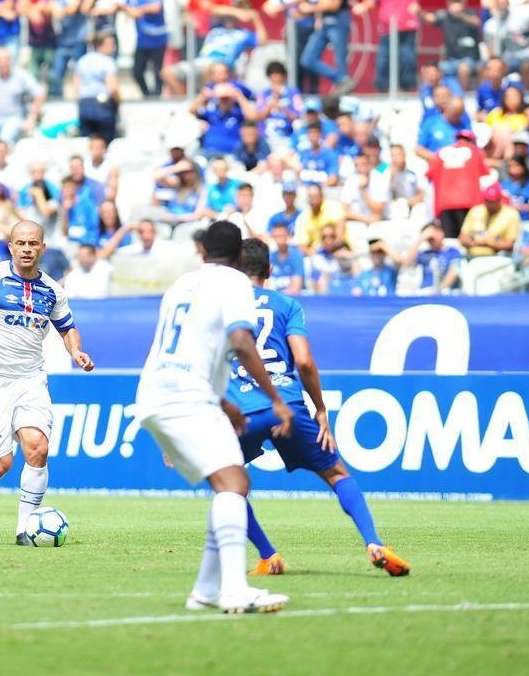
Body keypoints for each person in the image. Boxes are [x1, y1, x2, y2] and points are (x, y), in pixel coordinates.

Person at [134, 222, 292, 614]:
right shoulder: (236, 285)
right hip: (187, 398)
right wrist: (274, 397)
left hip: (158, 393)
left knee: (229, 483)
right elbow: (240, 341)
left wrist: (223, 402)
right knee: (234, 483)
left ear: (202, 250)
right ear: (241, 255)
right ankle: (235, 590)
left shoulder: (181, 286)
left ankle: (205, 591)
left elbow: (189, 348)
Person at [230, 238, 410, 577]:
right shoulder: (287, 305)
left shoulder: (223, 307)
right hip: (287, 404)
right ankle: (374, 543)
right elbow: (304, 360)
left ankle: (268, 556)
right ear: (270, 271)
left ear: (236, 269)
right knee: (337, 473)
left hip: (241, 407)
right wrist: (321, 409)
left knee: (226, 482)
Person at [0, 220, 94, 543]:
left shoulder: (53, 291)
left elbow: (67, 326)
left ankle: (25, 529)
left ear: (42, 248)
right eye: (21, 243)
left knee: (38, 449)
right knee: (1, 464)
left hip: (30, 378)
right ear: (11, 247)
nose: (27, 249)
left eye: (33, 244)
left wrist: (76, 351)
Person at [352, 0, 431, 92]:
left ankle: (406, 89)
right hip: (387, 29)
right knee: (383, 60)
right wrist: (362, 7)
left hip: (408, 28)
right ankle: (382, 90)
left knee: (407, 60)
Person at [299, 0, 353, 96]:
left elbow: (335, 4)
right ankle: (340, 79)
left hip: (339, 22)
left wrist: (310, 8)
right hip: (324, 24)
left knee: (340, 60)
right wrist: (290, 0)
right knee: (307, 59)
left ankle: (343, 91)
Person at [262, 0, 318, 94]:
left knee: (311, 65)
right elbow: (268, 8)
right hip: (294, 36)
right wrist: (293, 4)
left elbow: (318, 6)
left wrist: (304, 9)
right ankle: (297, 95)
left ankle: (313, 96)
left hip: (310, 33)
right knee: (296, 66)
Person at [426, 129, 487, 238]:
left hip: (444, 203)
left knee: (450, 240)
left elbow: (429, 175)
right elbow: (485, 175)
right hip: (469, 202)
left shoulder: (440, 152)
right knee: (468, 239)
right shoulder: (476, 152)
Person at [121, 0, 168, 98]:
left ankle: (157, 96)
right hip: (142, 37)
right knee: (137, 71)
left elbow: (156, 7)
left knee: (157, 70)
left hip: (157, 37)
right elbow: (127, 6)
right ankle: (147, 95)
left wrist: (140, 10)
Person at [0, 46, 44, 145]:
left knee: (5, 139)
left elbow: (39, 93)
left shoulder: (21, 75)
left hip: (15, 118)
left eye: (4, 60)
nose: (1, 63)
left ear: (10, 60)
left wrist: (31, 118)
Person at [422, 0, 481, 92]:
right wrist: (419, 10)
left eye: (458, 1)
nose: (456, 4)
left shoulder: (469, 13)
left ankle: (461, 96)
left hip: (469, 59)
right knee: (431, 70)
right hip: (450, 60)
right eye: (453, 1)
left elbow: (476, 22)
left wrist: (461, 14)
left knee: (463, 68)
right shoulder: (445, 16)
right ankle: (433, 96)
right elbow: (430, 18)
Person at [190, 82, 257, 159]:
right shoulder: (212, 113)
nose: (224, 101)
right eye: (221, 99)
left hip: (230, 155)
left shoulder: (238, 114)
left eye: (227, 98)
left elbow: (253, 117)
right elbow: (191, 111)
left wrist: (239, 96)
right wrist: (202, 97)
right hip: (207, 153)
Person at [50, 0, 87, 98]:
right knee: (57, 73)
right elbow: (53, 10)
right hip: (63, 40)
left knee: (80, 72)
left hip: (78, 38)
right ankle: (58, 97)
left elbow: (72, 9)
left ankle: (82, 98)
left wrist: (62, 11)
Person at [74, 31, 120, 143]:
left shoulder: (82, 60)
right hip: (103, 105)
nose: (113, 48)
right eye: (110, 44)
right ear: (99, 45)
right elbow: (113, 88)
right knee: (106, 143)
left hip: (84, 103)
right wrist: (118, 103)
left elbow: (76, 87)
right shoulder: (108, 62)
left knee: (88, 142)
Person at [458, 184, 520, 258]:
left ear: (499, 200)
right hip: (471, 255)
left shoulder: (511, 214)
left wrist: (489, 243)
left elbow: (510, 244)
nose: (489, 204)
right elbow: (462, 236)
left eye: (492, 201)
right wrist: (472, 242)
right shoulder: (476, 210)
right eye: (487, 201)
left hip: (496, 257)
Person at [402, 220, 462, 292]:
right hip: (425, 291)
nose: (431, 241)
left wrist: (438, 290)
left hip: (445, 291)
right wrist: (421, 239)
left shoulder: (453, 252)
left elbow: (454, 273)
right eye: (429, 239)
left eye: (432, 238)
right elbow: (407, 264)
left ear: (441, 233)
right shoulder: (425, 253)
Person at [20, 0, 55, 86]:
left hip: (49, 41)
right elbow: (21, 8)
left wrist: (34, 9)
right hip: (33, 43)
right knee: (33, 73)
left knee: (51, 74)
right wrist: (34, 10)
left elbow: (49, 9)